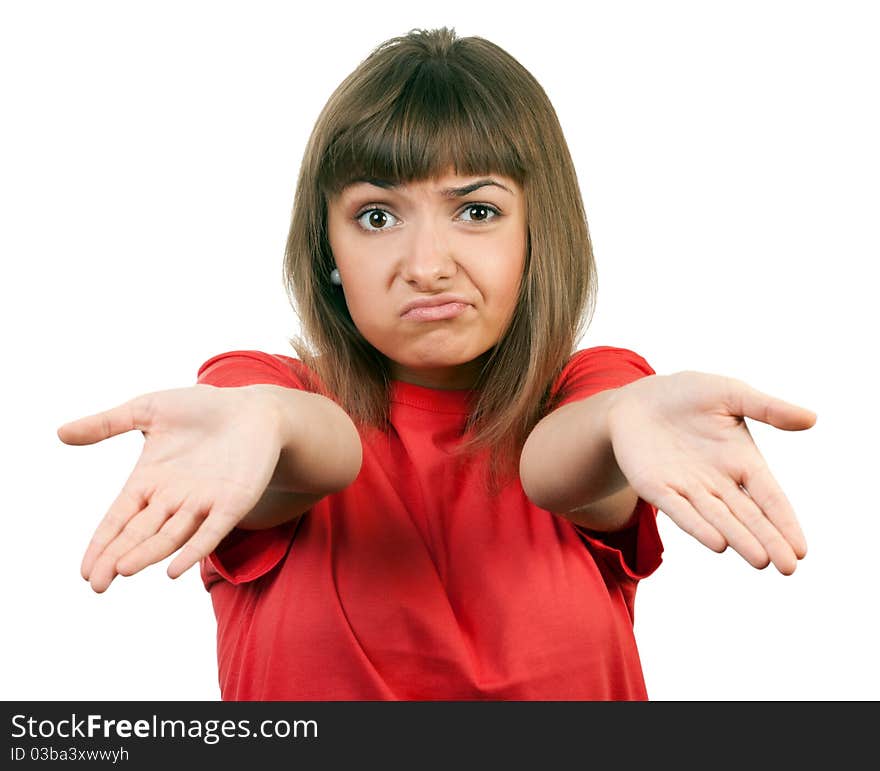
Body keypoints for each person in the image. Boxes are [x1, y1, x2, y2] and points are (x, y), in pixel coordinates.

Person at [56, 26, 817, 701]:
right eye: (377, 215)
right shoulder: (262, 402)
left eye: (476, 210)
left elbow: (558, 465)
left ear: (536, 232)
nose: (426, 265)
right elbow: (320, 445)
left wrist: (625, 416)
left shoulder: (591, 395)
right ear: (328, 249)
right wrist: (261, 418)